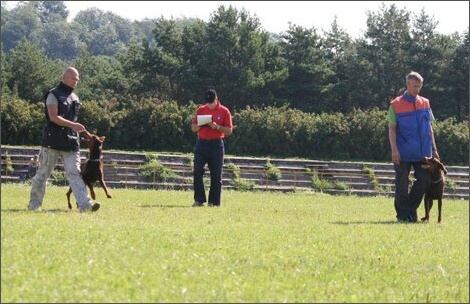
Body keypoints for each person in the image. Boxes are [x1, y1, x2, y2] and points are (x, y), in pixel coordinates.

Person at [27, 67, 100, 212]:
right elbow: (54, 117)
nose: (76, 81)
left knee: (75, 174)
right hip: (52, 142)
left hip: (71, 143)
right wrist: (73, 125)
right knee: (42, 175)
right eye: (73, 78)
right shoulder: (53, 95)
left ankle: (85, 205)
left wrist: (82, 131)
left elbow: (73, 120)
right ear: (64, 78)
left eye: (77, 79)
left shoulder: (75, 97)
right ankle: (34, 205)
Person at [388, 71, 439, 222]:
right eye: (415, 86)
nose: (417, 89)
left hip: (423, 153)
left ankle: (410, 210)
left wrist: (434, 150)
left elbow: (429, 127)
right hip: (402, 152)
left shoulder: (425, 103)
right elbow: (391, 129)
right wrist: (394, 150)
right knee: (402, 183)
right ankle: (403, 215)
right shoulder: (395, 104)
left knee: (424, 179)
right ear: (407, 84)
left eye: (419, 86)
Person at [190, 89, 233, 207]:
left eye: (211, 102)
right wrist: (201, 124)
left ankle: (214, 202)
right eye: (207, 102)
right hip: (202, 144)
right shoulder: (201, 110)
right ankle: (199, 199)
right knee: (197, 171)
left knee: (216, 175)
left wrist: (217, 126)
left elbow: (229, 130)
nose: (209, 105)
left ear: (216, 100)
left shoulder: (225, 111)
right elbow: (193, 128)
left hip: (216, 145)